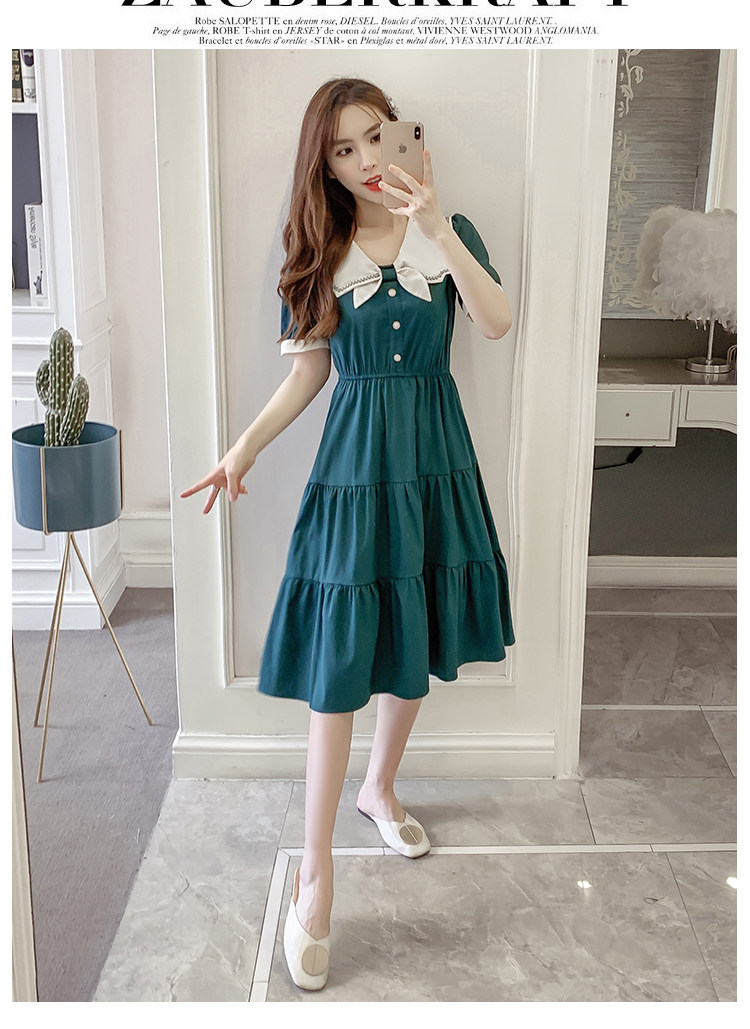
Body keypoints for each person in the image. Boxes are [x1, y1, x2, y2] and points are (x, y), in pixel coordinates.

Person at [180, 77, 515, 991]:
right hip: (356, 474)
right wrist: (241, 448)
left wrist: (437, 222)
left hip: (434, 463)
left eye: (376, 137)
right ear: (322, 165)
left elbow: (496, 322)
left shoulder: (449, 233)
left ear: (405, 136)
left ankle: (380, 786)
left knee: (416, 630)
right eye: (343, 149)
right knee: (339, 666)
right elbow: (308, 375)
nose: (367, 161)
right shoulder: (320, 253)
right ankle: (317, 873)